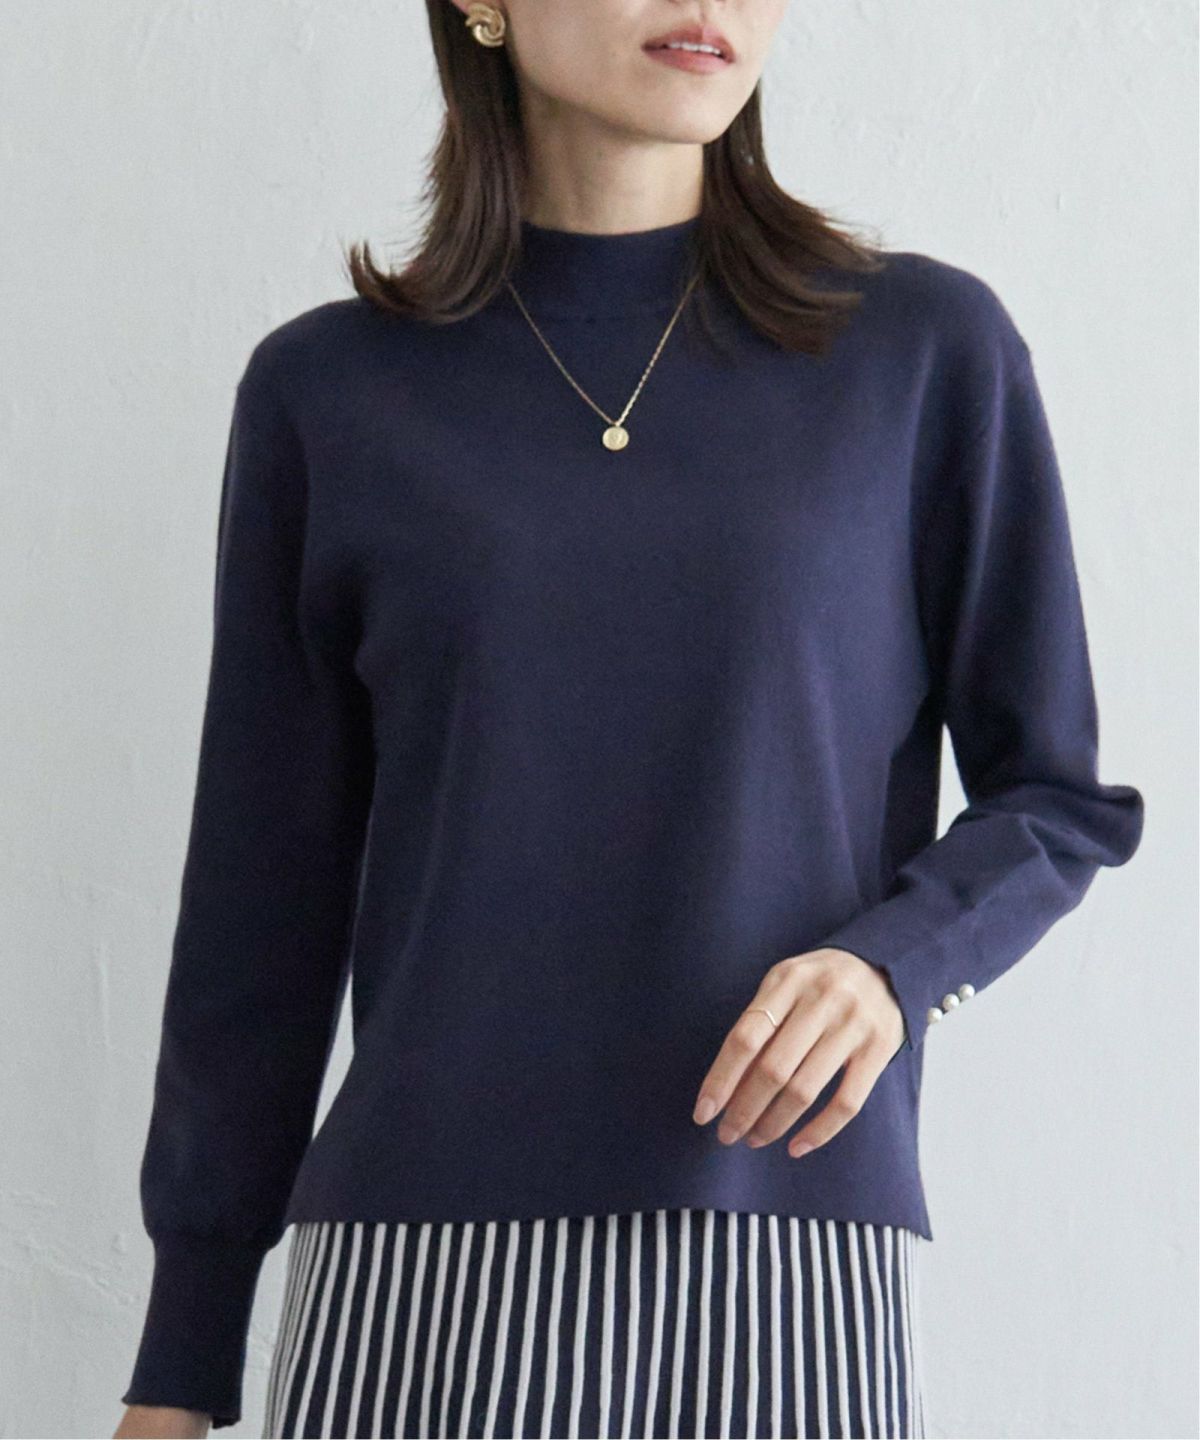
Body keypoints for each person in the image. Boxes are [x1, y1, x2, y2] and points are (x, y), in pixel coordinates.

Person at [114, 2, 1146, 1437]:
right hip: (412, 1282)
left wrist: (894, 966)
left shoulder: (921, 354)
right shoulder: (330, 393)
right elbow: (260, 906)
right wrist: (182, 1358)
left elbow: (1058, 799)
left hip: (784, 1252)